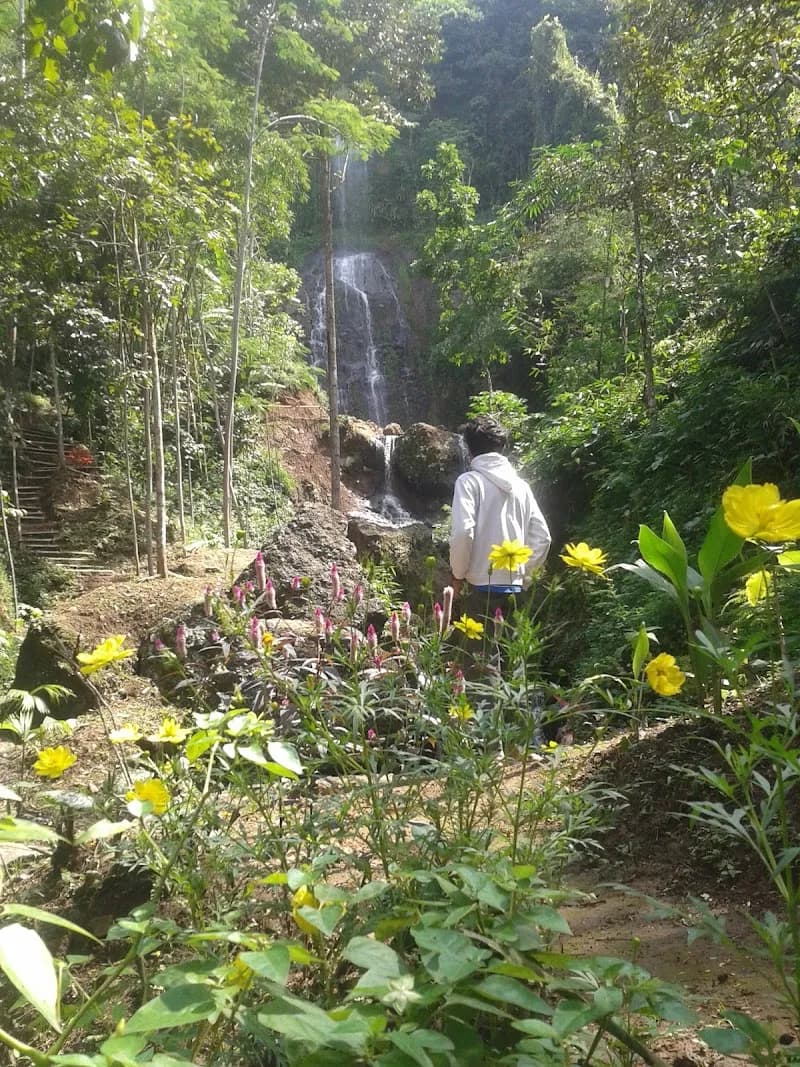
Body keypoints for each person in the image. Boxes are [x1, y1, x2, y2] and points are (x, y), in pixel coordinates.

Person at [449, 415, 551, 607]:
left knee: (480, 637)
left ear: (468, 449)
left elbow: (463, 532)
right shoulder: (522, 487)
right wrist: (524, 575)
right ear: (502, 447)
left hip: (478, 588)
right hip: (516, 591)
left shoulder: (469, 482)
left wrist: (458, 574)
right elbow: (543, 538)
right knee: (510, 638)